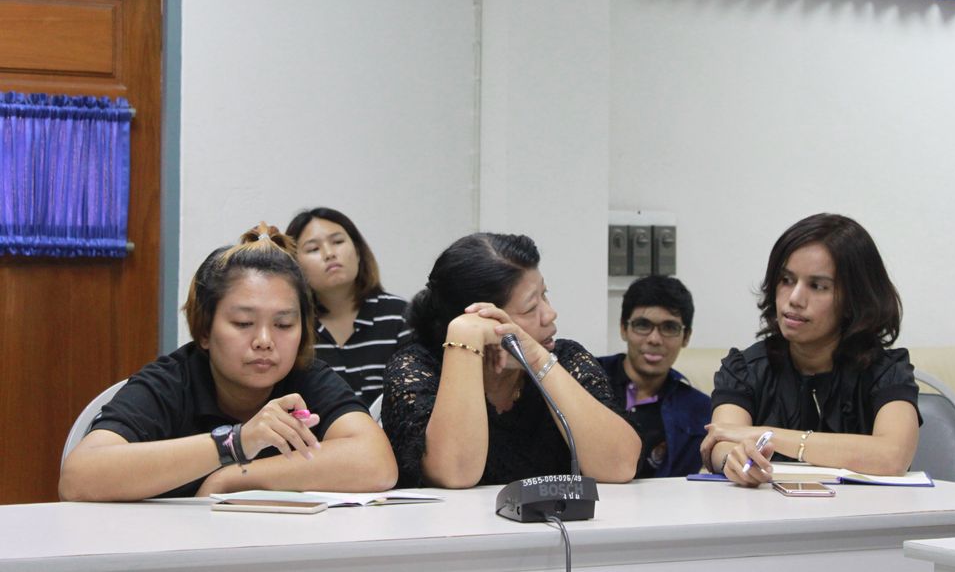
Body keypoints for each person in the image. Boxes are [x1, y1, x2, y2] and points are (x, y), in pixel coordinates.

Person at [59, 223, 397, 501]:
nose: (264, 340)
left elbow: (376, 463)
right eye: (243, 323)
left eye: (283, 324)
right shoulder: (171, 381)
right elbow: (79, 478)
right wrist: (235, 443)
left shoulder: (306, 377)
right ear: (205, 330)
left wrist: (233, 477)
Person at [382, 233, 641, 488]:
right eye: (530, 308)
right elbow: (455, 474)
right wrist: (465, 335)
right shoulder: (416, 369)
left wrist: (537, 359)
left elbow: (620, 466)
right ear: (481, 318)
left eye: (545, 295)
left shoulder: (566, 359)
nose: (550, 314)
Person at [700, 213, 920, 487]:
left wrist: (767, 435)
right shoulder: (745, 369)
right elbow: (722, 440)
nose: (794, 299)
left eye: (817, 286)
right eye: (786, 280)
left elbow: (892, 456)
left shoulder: (886, 371)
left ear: (854, 299)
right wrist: (732, 460)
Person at [286, 208, 410, 406]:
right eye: (313, 249)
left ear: (358, 252)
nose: (329, 254)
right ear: (296, 266)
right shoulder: (292, 327)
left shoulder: (400, 315)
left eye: (337, 242)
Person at [598, 275, 711, 477]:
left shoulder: (700, 411)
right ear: (623, 329)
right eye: (643, 325)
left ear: (686, 337)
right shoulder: (588, 379)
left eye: (669, 328)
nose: (654, 339)